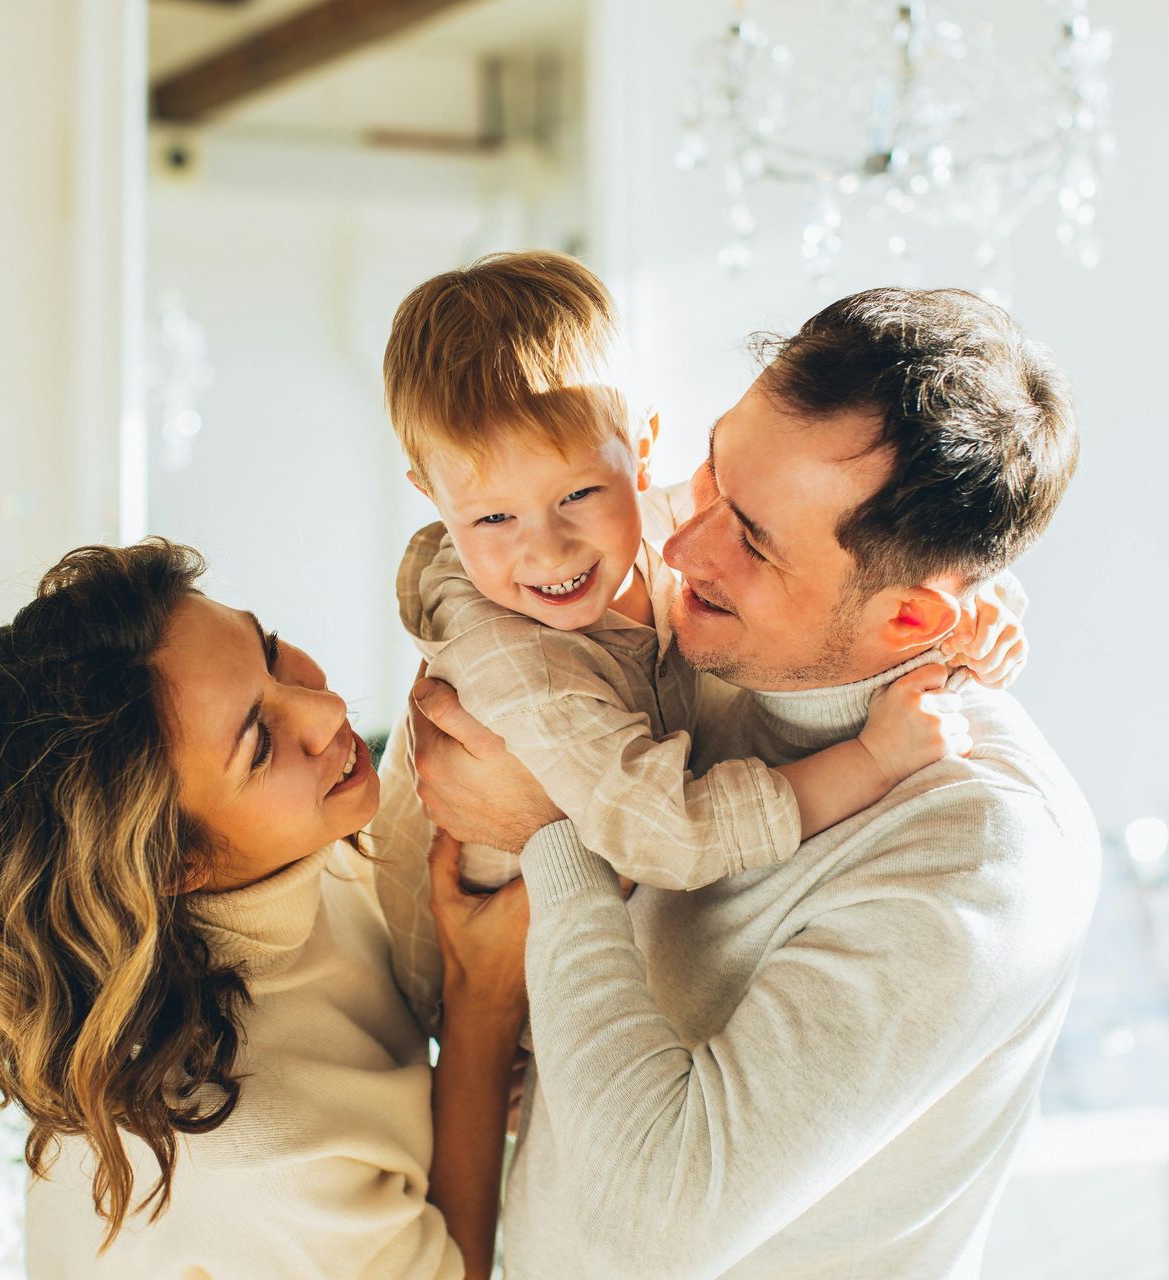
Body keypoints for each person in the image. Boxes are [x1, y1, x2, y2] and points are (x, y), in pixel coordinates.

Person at [409, 287, 1102, 1278]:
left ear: (909, 622)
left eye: (756, 539)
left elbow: (648, 1216)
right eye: (712, 472)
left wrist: (546, 833)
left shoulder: (982, 854)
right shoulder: (704, 639)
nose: (682, 547)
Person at [371, 252, 1026, 1034]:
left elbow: (864, 546)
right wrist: (873, 760)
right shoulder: (511, 660)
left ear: (641, 448)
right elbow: (665, 834)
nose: (547, 552)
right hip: (470, 989)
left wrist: (981, 602)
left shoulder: (654, 519)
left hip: (586, 938)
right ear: (431, 495)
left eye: (578, 494)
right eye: (491, 520)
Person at [0, 540, 527, 1278]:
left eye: (270, 653)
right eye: (260, 745)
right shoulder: (252, 1151)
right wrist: (482, 1007)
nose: (327, 708)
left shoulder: (281, 854)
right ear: (177, 863)